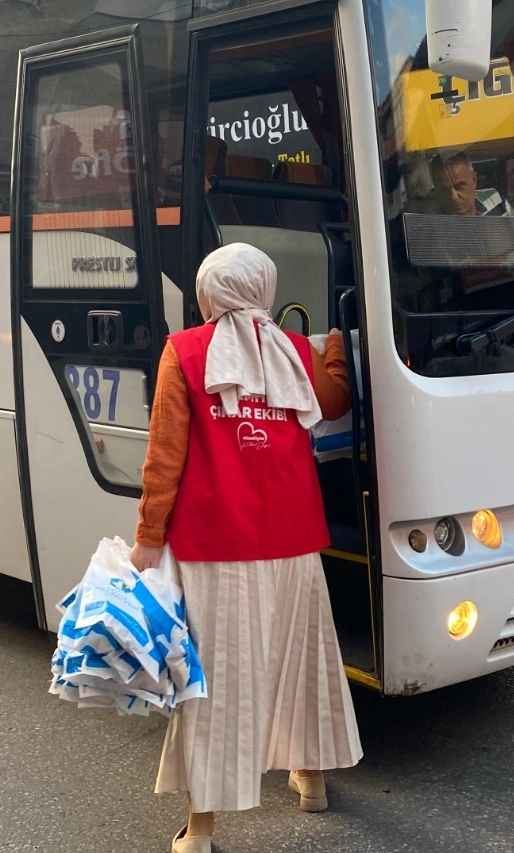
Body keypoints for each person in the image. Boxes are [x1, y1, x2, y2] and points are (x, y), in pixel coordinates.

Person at [129, 243, 363, 853]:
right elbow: (335, 400)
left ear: (209, 295)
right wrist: (334, 342)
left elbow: (165, 456)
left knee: (218, 681)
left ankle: (201, 830)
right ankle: (310, 779)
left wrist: (149, 538)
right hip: (294, 540)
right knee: (299, 660)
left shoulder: (183, 353)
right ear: (262, 289)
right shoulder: (292, 348)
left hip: (215, 545)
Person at [434, 151, 514, 217]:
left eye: (459, 186)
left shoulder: (494, 199)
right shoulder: (431, 224)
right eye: (444, 190)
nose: (453, 196)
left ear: (474, 180)